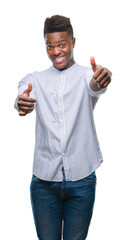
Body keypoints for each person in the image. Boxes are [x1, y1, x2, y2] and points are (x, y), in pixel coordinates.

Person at [14, 15, 112, 240]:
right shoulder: (35, 80)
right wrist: (20, 101)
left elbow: (96, 84)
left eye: (61, 44)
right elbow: (22, 94)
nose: (56, 51)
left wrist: (103, 78)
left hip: (82, 181)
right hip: (43, 184)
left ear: (73, 42)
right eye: (50, 46)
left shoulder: (87, 75)